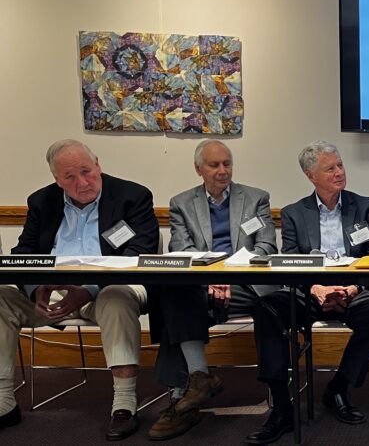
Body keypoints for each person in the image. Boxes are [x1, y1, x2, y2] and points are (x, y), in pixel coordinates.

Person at [0, 139, 155, 440]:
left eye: (87, 171)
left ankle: (124, 404)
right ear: (57, 180)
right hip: (52, 290)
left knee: (117, 297)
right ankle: (4, 401)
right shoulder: (41, 201)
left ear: (98, 165)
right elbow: (25, 250)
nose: (82, 182)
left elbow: (139, 251)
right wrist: (35, 288)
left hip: (106, 287)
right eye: (69, 177)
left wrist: (88, 289)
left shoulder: (132, 196)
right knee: (0, 297)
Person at [245, 141, 369, 445]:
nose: (339, 172)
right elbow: (290, 261)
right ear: (311, 175)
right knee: (267, 307)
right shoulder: (293, 214)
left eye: (340, 165)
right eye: (330, 168)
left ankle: (338, 387)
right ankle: (282, 407)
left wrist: (351, 288)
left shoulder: (365, 206)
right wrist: (317, 289)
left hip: (356, 288)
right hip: (311, 290)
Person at [146, 139, 279, 440]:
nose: (223, 171)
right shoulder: (181, 203)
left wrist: (228, 277)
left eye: (227, 164)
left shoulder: (256, 198)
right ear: (198, 169)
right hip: (203, 285)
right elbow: (181, 250)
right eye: (214, 165)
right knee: (176, 295)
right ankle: (198, 380)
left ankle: (186, 393)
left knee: (178, 307)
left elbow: (266, 246)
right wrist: (211, 279)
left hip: (247, 284)